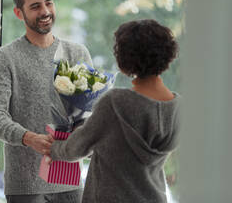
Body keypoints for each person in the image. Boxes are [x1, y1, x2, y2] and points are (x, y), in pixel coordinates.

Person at [0, 0, 92, 203]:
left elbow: (88, 117)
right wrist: (28, 137)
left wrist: (85, 143)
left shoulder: (77, 54)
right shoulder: (6, 57)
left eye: (48, 3)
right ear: (19, 13)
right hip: (25, 186)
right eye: (35, 6)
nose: (45, 11)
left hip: (71, 183)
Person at [48, 19, 181, 203]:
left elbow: (75, 148)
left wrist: (53, 149)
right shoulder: (178, 108)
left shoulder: (115, 103)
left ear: (125, 57)